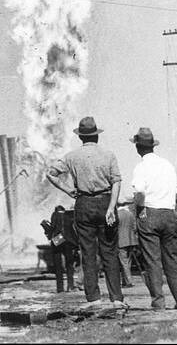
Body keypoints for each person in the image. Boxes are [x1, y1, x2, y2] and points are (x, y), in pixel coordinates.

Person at [47, 117, 125, 308]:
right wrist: (110, 208)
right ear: (97, 136)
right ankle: (116, 299)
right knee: (110, 252)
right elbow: (116, 182)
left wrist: (68, 190)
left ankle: (94, 299)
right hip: (106, 202)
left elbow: (50, 173)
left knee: (88, 253)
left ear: (80, 136)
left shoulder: (71, 156)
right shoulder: (108, 155)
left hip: (83, 204)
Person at [130, 128, 177, 310]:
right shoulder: (167, 165)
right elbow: (176, 193)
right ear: (153, 146)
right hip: (169, 213)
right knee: (173, 259)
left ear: (138, 148)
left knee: (152, 260)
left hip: (150, 213)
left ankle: (158, 302)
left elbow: (139, 193)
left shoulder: (140, 167)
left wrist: (139, 210)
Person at [41, 206, 78, 292]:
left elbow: (52, 227)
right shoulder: (68, 216)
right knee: (69, 264)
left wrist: (45, 226)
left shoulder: (54, 215)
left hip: (58, 238)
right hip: (68, 239)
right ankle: (70, 286)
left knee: (58, 265)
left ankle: (60, 288)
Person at [115, 202, 139, 287]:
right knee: (128, 261)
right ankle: (125, 280)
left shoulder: (117, 214)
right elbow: (135, 228)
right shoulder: (130, 214)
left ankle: (128, 281)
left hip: (121, 241)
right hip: (131, 240)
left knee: (123, 262)